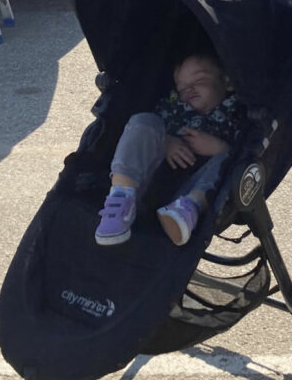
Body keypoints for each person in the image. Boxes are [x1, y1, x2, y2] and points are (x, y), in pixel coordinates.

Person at [94, 52, 244, 247]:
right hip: (149, 182)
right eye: (181, 87)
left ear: (227, 82)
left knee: (233, 160)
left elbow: (246, 152)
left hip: (191, 193)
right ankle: (121, 197)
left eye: (199, 80)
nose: (188, 89)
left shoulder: (237, 113)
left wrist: (219, 148)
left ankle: (187, 210)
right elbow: (148, 137)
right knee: (143, 121)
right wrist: (166, 141)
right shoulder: (173, 107)